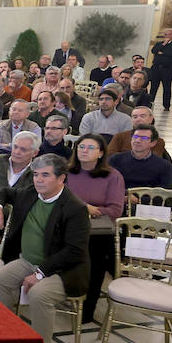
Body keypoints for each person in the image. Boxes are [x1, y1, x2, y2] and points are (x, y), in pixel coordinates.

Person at [0, 153, 91, 343]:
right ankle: (4, 334)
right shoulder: (30, 193)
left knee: (39, 294)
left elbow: (74, 251)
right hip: (29, 261)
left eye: (45, 175)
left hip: (64, 270)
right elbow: (3, 191)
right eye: (35, 174)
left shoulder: (75, 208)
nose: (38, 180)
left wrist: (41, 273)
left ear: (61, 179)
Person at [64, 134, 127, 327]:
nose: (84, 151)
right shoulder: (67, 172)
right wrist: (83, 207)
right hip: (68, 225)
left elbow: (115, 210)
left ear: (101, 153)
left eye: (90, 148)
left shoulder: (113, 176)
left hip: (97, 230)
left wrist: (87, 210)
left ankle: (88, 307)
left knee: (95, 256)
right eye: (81, 147)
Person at [109, 127, 172, 192]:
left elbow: (164, 192)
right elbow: (108, 183)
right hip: (119, 199)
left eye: (144, 138)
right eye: (135, 137)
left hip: (149, 202)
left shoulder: (164, 166)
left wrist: (139, 199)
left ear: (153, 143)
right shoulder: (116, 159)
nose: (138, 141)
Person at [149, 28, 172, 109]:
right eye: (165, 34)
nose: (167, 36)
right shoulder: (159, 44)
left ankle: (166, 105)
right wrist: (163, 45)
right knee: (153, 87)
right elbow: (154, 50)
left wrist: (161, 53)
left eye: (169, 34)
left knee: (166, 87)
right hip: (156, 68)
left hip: (167, 69)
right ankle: (149, 103)